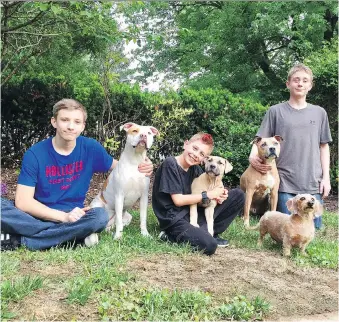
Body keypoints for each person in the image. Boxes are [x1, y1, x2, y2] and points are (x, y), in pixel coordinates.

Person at [1, 99, 153, 251]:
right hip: (39, 213)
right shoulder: (35, 154)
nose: (70, 126)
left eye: (77, 121)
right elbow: (23, 202)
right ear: (54, 122)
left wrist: (145, 165)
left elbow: (121, 167)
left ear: (83, 126)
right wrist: (62, 218)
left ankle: (20, 239)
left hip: (75, 215)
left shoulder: (90, 148)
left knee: (99, 216)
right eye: (65, 120)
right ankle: (75, 238)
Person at [249, 63, 332, 229]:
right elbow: (259, 140)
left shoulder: (319, 113)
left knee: (313, 227)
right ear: (288, 84)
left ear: (310, 85)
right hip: (283, 181)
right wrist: (252, 156)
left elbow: (324, 147)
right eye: (296, 80)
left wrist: (326, 178)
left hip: (312, 183)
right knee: (286, 227)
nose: (300, 83)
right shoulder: (275, 111)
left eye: (305, 80)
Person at [152, 133, 245, 255]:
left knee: (238, 195)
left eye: (202, 154)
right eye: (195, 148)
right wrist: (209, 195)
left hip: (191, 213)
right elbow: (178, 200)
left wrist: (219, 196)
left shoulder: (195, 169)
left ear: (203, 159)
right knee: (209, 246)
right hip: (174, 219)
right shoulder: (171, 164)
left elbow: (202, 199)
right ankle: (168, 236)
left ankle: (208, 232)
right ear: (186, 144)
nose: (196, 155)